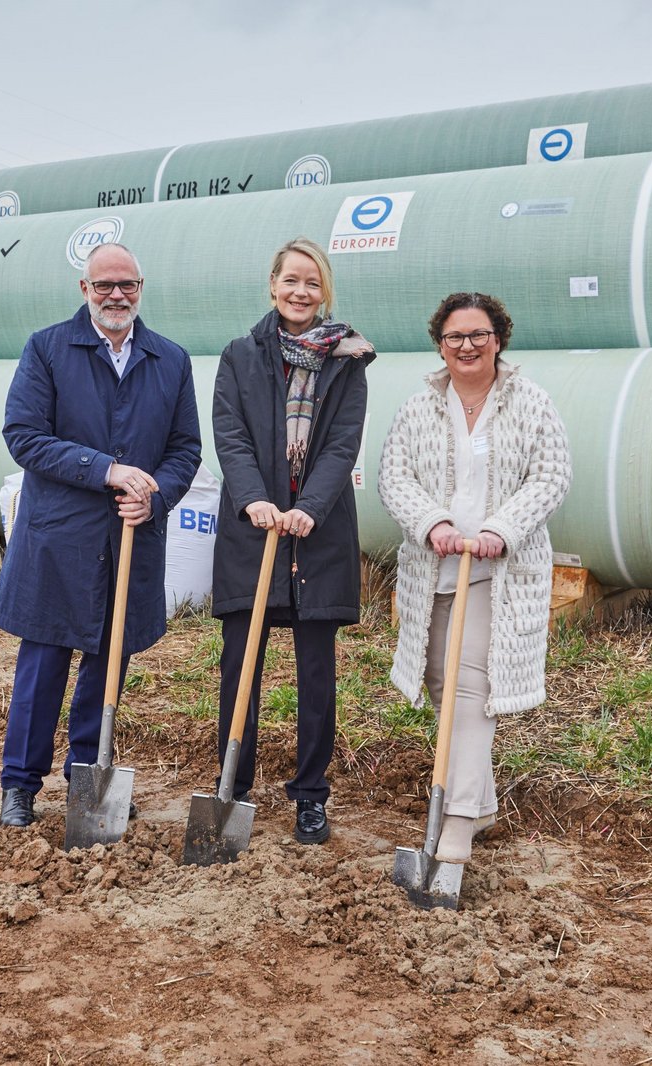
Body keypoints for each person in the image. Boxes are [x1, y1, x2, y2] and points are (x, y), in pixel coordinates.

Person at [0, 242, 202, 828]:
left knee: (107, 664)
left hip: (128, 539)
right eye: (104, 285)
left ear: (141, 288)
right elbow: (24, 435)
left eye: (127, 285)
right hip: (58, 540)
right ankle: (20, 785)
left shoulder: (170, 359)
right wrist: (105, 471)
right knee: (44, 663)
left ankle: (88, 779)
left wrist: (153, 491)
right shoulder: (49, 349)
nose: (117, 295)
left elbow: (186, 448)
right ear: (84, 290)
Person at [378, 292, 572, 863]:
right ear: (441, 344)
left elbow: (551, 477)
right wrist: (431, 523)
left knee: (470, 692)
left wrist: (501, 528)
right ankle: (482, 804)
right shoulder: (419, 408)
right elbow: (395, 477)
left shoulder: (530, 402)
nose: (467, 346)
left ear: (498, 338)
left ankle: (457, 823)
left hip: (498, 574)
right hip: (434, 568)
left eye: (478, 335)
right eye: (455, 337)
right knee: (440, 682)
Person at [210, 237, 375, 845]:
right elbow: (229, 432)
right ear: (272, 285)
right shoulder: (240, 355)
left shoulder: (348, 359)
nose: (300, 291)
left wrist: (309, 508)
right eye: (290, 280)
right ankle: (233, 784)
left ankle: (310, 795)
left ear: (323, 291)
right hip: (251, 534)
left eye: (312, 282)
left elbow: (342, 444)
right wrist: (254, 498)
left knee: (316, 674)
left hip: (317, 535)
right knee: (240, 667)